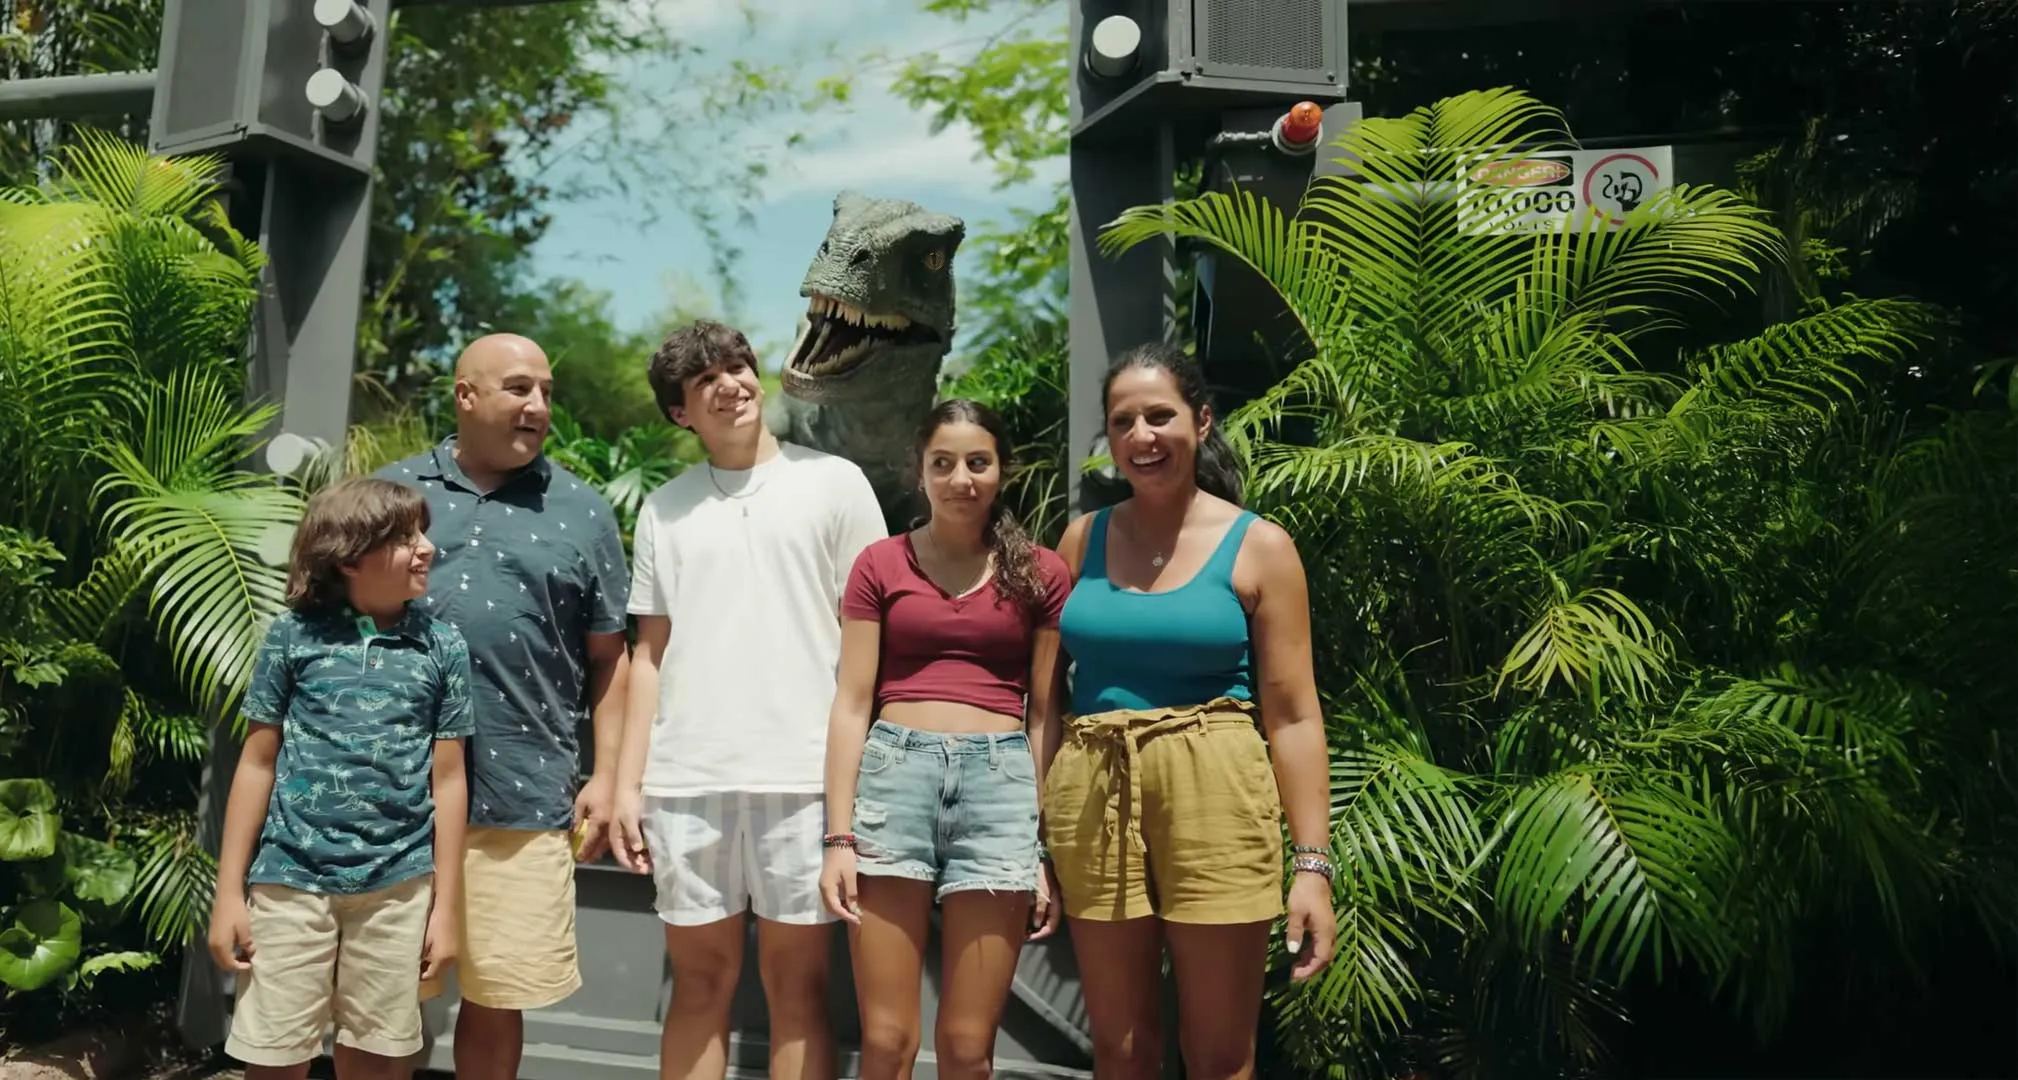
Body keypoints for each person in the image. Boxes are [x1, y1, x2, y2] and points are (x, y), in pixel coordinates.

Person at [1042, 343, 1338, 1080]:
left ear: (1202, 421)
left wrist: (1313, 867)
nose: (1142, 436)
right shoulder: (1083, 539)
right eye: (1123, 422)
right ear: (1108, 440)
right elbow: (1042, 701)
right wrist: (1031, 836)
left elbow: (1295, 716)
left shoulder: (1260, 547)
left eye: (1160, 415)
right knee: (1122, 1048)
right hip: (1093, 793)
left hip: (1216, 789)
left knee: (1217, 1054)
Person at [611, 319, 887, 1080]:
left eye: (738, 368)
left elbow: (866, 643)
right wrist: (631, 784)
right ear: (680, 412)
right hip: (685, 782)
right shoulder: (663, 510)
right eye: (707, 381)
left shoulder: (835, 483)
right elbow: (648, 654)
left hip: (804, 778)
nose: (732, 385)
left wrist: (851, 787)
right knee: (699, 986)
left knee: (798, 989)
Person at [375, 333, 632, 1080]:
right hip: (388, 796)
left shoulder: (583, 512)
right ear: (466, 396)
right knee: (385, 997)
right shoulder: (392, 498)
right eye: (520, 388)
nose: (539, 406)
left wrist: (607, 774)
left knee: (499, 997)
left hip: (524, 795)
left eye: (547, 391)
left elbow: (610, 657)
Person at [817, 400, 1070, 1080]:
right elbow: (851, 704)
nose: (962, 478)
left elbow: (1044, 713)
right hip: (894, 780)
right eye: (943, 463)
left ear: (1002, 471)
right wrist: (839, 837)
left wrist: (1037, 844)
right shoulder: (879, 565)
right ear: (921, 472)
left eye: (978, 463)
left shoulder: (1041, 572)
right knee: (888, 1042)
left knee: (966, 1048)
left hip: (1001, 789)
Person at [207, 477, 471, 1080]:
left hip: (399, 888)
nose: (427, 547)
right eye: (406, 537)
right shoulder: (291, 637)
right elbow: (256, 762)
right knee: (274, 1059)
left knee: (379, 1059)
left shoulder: (442, 646)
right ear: (350, 558)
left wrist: (444, 909)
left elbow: (450, 779)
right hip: (290, 881)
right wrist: (229, 894)